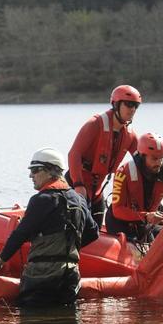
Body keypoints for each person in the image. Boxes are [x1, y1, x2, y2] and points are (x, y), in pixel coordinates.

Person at [0, 147, 99, 307]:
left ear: (51, 172)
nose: (31, 175)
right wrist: (68, 248)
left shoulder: (41, 200)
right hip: (70, 279)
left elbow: (20, 235)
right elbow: (93, 233)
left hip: (41, 280)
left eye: (35, 170)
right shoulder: (79, 200)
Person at [105, 132, 163, 242]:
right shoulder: (123, 173)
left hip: (144, 224)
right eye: (154, 158)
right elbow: (117, 210)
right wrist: (146, 216)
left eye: (161, 158)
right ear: (142, 156)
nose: (159, 163)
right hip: (119, 223)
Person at [67, 85, 141, 226]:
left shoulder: (130, 135)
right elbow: (74, 154)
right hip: (77, 185)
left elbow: (144, 161)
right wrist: (78, 185)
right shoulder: (95, 124)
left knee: (95, 232)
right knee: (77, 230)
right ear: (116, 104)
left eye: (136, 106)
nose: (132, 109)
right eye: (129, 104)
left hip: (97, 191)